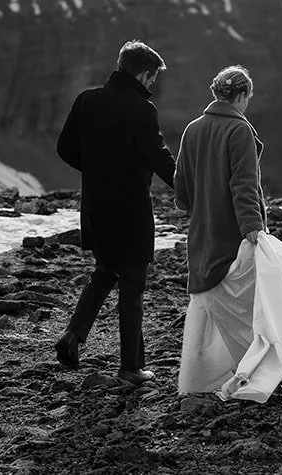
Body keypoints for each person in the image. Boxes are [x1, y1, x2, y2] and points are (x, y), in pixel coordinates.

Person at [53, 40, 177, 385]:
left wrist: (95, 169)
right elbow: (158, 157)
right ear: (142, 72)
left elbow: (65, 147)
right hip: (131, 211)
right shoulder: (141, 110)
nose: (152, 85)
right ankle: (131, 368)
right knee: (133, 285)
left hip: (95, 208)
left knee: (105, 271)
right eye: (152, 78)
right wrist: (189, 185)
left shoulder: (86, 100)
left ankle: (73, 336)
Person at [173, 65, 267, 391]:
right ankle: (253, 371)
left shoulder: (192, 129)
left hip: (202, 236)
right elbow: (244, 185)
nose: (247, 105)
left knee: (206, 305)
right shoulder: (238, 131)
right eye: (248, 98)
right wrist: (253, 227)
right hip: (233, 237)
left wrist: (200, 206)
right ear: (240, 96)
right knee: (250, 305)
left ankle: (202, 380)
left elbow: (181, 189)